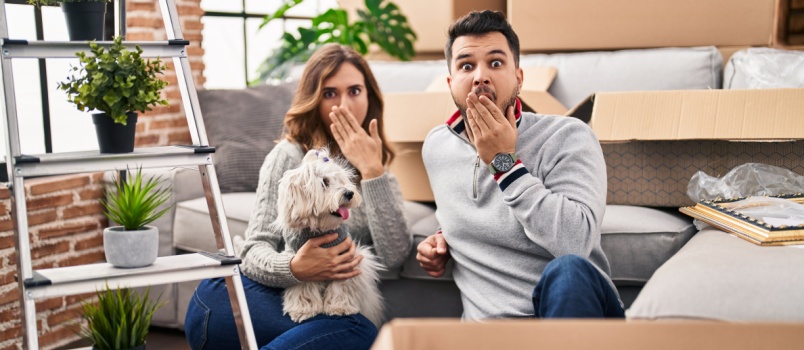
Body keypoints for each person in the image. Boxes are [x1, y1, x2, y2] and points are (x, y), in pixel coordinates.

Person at [185, 44, 412, 350]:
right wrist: (294, 267)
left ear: (369, 97)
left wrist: (372, 170)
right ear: (314, 100)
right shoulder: (289, 156)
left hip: (317, 312)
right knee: (355, 333)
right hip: (239, 297)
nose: (343, 105)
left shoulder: (379, 175)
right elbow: (253, 249)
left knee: (360, 331)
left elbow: (395, 255)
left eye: (355, 91)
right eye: (330, 93)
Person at [416, 10, 624, 320]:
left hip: (570, 314)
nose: (480, 76)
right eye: (466, 65)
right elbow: (467, 208)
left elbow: (576, 242)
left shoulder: (568, 136)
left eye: (496, 63)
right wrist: (443, 239)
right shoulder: (436, 147)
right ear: (450, 82)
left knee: (567, 271)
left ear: (519, 78)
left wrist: (504, 163)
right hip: (490, 334)